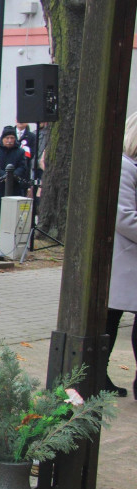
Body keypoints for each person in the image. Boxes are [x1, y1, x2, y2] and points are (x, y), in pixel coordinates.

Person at [104, 112, 137, 398]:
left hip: (129, 260)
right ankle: (96, 377)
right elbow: (124, 217)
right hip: (125, 258)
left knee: (111, 319)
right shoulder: (125, 167)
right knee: (108, 320)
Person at [0, 126, 30, 197]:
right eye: (7, 138)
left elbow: (22, 167)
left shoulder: (20, 152)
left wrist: (11, 176)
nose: (9, 140)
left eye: (12, 138)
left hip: (15, 186)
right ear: (2, 138)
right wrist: (4, 176)